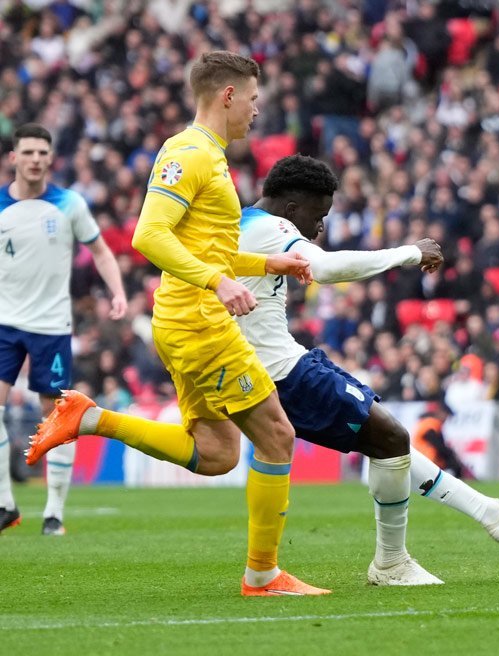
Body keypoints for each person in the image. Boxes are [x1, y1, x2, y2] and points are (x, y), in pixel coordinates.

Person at [26, 52, 325, 596]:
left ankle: (91, 420)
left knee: (217, 454)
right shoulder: (188, 153)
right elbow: (148, 236)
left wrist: (263, 265)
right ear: (228, 96)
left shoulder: (210, 155)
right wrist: (218, 284)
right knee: (278, 435)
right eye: (254, 99)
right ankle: (262, 575)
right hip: (198, 321)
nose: (258, 112)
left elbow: (202, 247)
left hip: (186, 319)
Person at [236, 155, 499, 585]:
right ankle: (392, 564)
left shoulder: (246, 223)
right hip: (280, 371)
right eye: (318, 215)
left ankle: (491, 513)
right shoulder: (274, 228)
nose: (320, 226)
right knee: (391, 437)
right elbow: (324, 268)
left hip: (273, 364)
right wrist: (408, 253)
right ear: (291, 207)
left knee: (386, 442)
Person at [0, 123, 128, 536]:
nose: (36, 159)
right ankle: (5, 504)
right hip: (4, 322)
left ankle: (53, 512)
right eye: (28, 152)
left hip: (51, 327)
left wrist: (118, 293)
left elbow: (102, 252)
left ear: (51, 158)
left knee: (55, 419)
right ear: (13, 158)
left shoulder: (70, 204)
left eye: (42, 152)